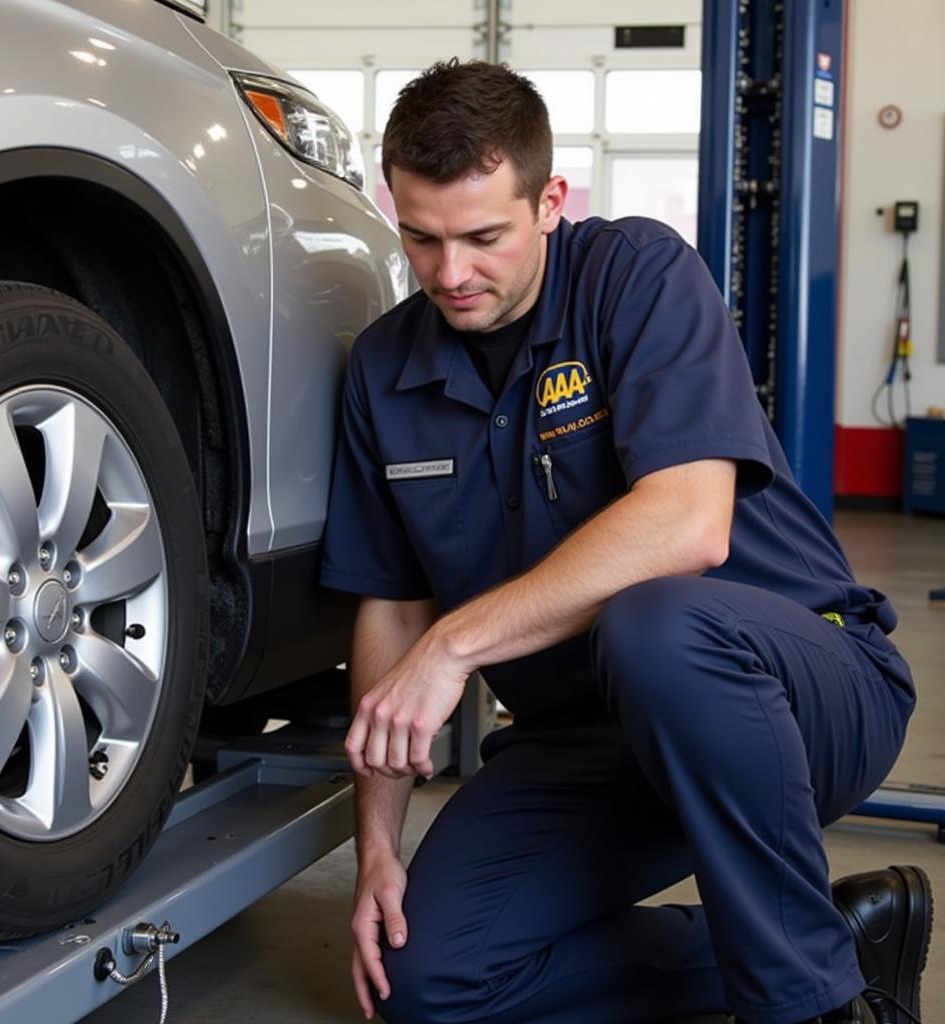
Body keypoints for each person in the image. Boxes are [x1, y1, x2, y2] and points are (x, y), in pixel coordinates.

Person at [320, 59, 931, 1024]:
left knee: (657, 623)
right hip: (591, 739)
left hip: (798, 692)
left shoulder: (635, 275)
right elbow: (392, 606)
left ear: (549, 200)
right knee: (426, 979)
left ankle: (812, 1011)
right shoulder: (384, 371)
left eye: (483, 238)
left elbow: (690, 522)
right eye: (421, 238)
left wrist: (457, 644)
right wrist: (378, 849)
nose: (450, 274)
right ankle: (834, 944)